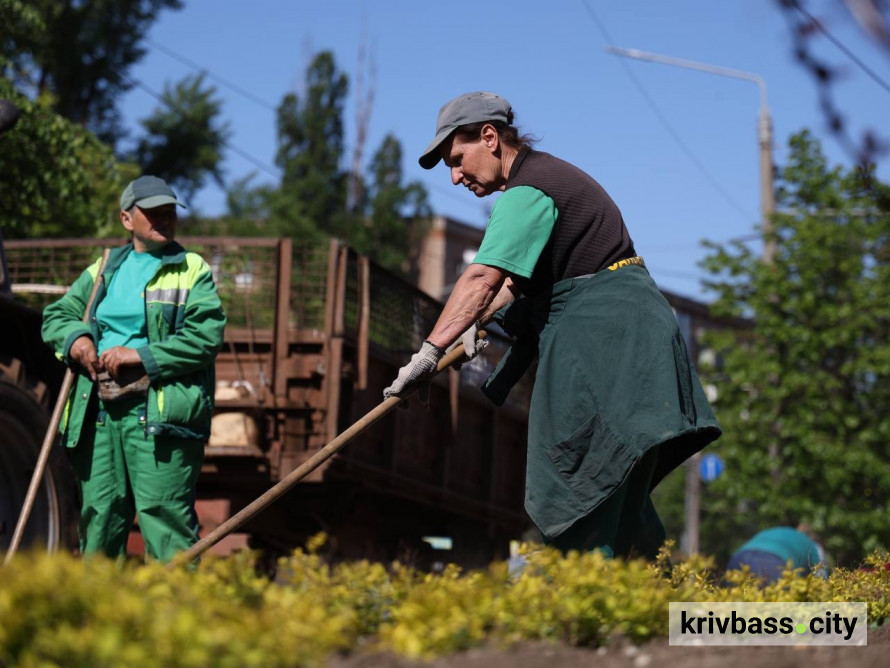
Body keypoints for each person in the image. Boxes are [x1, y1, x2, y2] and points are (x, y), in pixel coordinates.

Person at [384, 92, 721, 559]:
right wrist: (471, 322)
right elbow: (508, 287)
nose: (455, 176)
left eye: (457, 160)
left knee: (583, 475)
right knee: (614, 480)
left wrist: (428, 353)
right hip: (628, 337)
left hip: (608, 340)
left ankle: (588, 592)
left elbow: (482, 277)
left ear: (489, 137)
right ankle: (657, 590)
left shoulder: (529, 190)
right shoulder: (545, 182)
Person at [42, 175, 226, 563]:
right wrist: (78, 340)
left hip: (159, 418)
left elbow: (205, 338)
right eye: (153, 211)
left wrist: (140, 355)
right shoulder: (104, 268)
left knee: (166, 524)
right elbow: (57, 315)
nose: (165, 218)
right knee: (100, 521)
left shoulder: (191, 269)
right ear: (127, 219)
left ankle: (176, 605)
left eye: (170, 210)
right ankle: (99, 604)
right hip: (99, 417)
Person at [727, 525, 828, 583]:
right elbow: (821, 581)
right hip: (773, 561)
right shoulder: (815, 546)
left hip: (739, 558)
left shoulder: (780, 531)